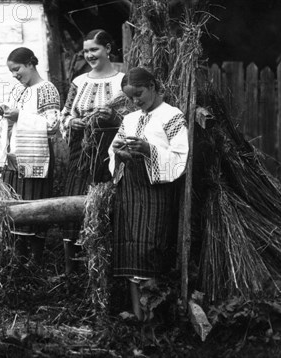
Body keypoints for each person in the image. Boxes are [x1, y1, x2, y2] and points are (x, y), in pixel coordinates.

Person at [108, 67, 188, 320]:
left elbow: (179, 156)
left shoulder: (172, 116)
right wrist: (119, 154)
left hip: (155, 190)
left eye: (139, 94)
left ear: (153, 86)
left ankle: (153, 316)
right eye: (131, 97)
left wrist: (148, 149)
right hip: (129, 189)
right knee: (130, 250)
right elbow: (113, 150)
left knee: (149, 249)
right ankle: (137, 314)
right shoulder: (130, 119)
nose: (135, 101)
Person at [60, 29, 127, 274]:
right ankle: (72, 268)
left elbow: (133, 115)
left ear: (108, 49)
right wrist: (71, 123)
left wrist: (114, 116)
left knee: (104, 200)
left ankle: (102, 261)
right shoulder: (79, 82)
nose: (89, 55)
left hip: (108, 150)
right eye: (86, 51)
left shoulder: (122, 81)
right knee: (74, 196)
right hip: (81, 149)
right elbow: (66, 113)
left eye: (94, 49)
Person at [0, 47, 60, 265]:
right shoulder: (18, 90)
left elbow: (52, 126)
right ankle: (18, 255)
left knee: (34, 201)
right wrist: (5, 112)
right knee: (14, 201)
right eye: (11, 71)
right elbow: (14, 118)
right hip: (15, 155)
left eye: (17, 69)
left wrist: (19, 115)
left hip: (35, 155)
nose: (15, 75)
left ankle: (36, 258)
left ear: (31, 64)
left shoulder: (47, 89)